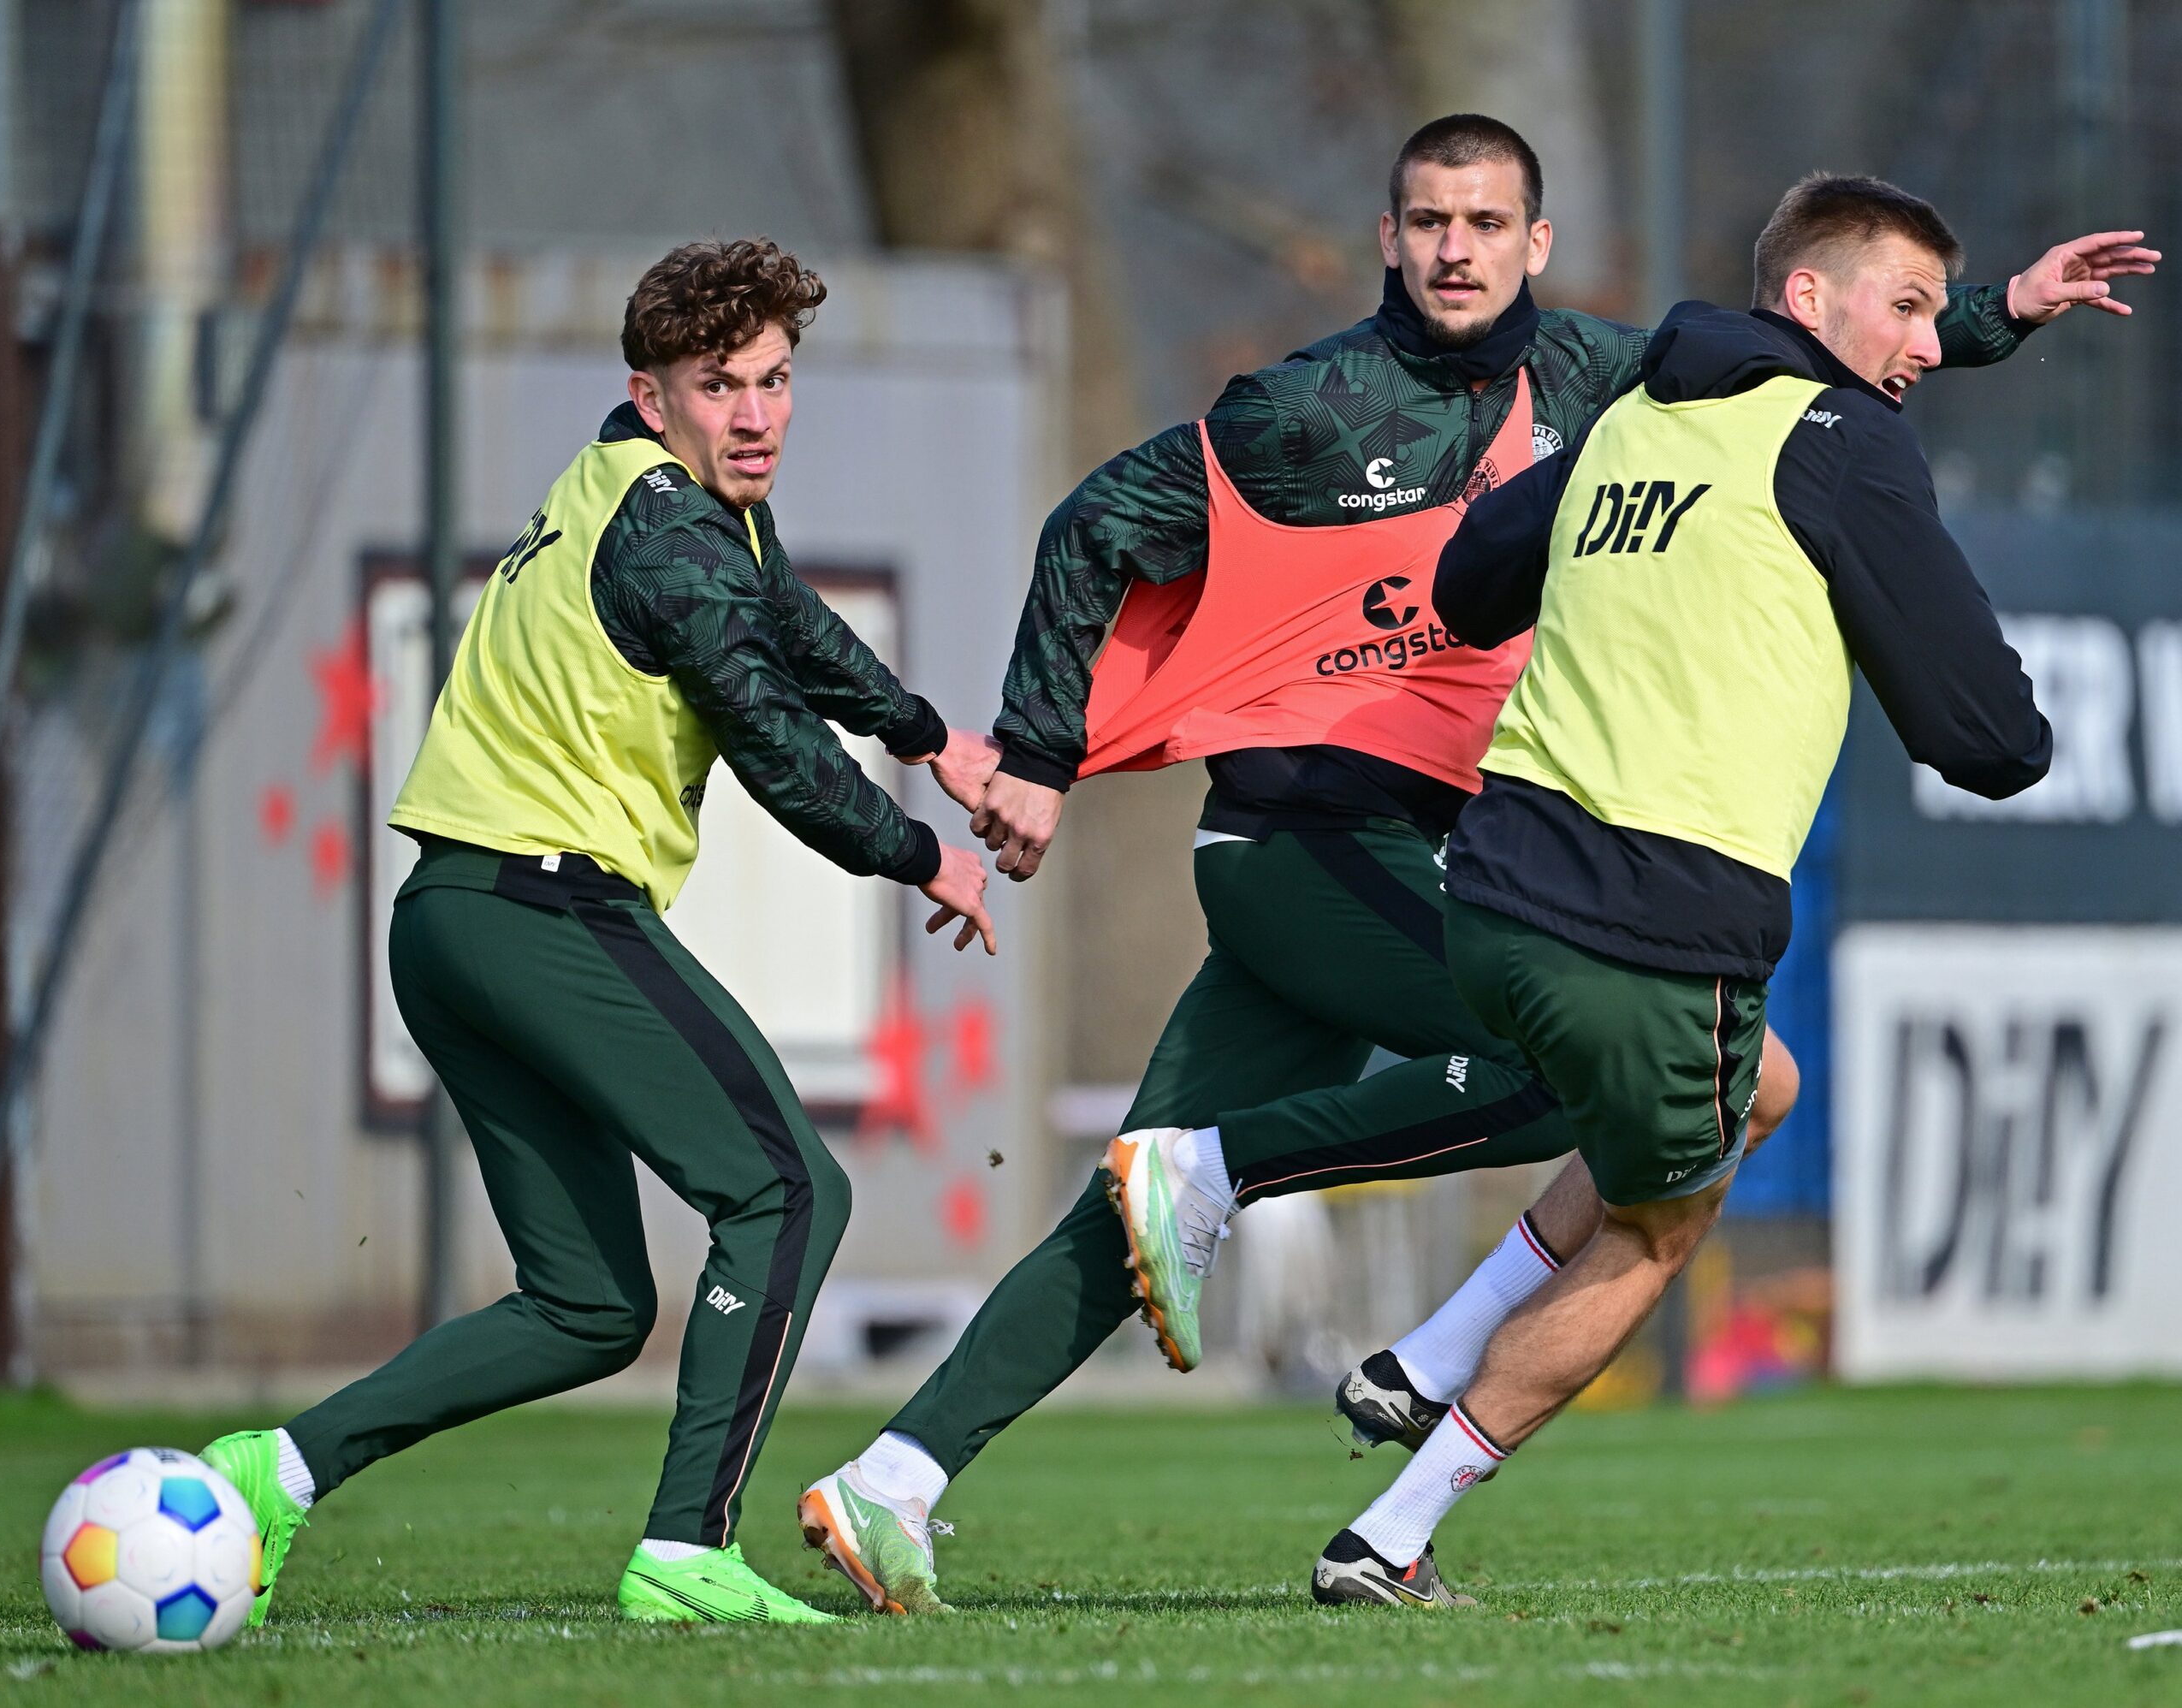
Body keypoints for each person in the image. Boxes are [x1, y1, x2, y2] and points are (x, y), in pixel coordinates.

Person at [798, 116, 2121, 1615]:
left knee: (1137, 1217)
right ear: (1388, 235)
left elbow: (1799, 346)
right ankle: (1340, 1289)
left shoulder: (1599, 385)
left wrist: (1985, 321)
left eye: (1489, 223)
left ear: (1535, 244)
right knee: (1620, 1064)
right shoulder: (1308, 407)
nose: (1457, 248)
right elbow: (1098, 520)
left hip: (1405, 853)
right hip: (1305, 833)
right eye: (1430, 220)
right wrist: (1036, 750)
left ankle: (891, 1479)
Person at [199, 238, 1000, 1628]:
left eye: (775, 380)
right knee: (790, 1191)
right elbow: (767, 734)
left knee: (586, 1307)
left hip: (451, 923)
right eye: (718, 385)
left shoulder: (655, 495)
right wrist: (922, 851)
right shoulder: (673, 532)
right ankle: (685, 1550)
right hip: (541, 905)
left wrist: (931, 739)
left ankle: (273, 1470)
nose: (754, 414)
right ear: (651, 393)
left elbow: (789, 624)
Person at [1309, 172, 2065, 1604]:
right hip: (1652, 926)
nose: (1921, 346)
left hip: (1492, 893)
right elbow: (1987, 739)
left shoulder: (1636, 420)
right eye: (1902, 310)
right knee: (1665, 1224)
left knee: (1756, 1089)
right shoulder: (1843, 441)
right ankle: (1392, 1532)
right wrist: (2018, 727)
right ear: (1806, 304)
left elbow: (1470, 583)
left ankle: (1427, 1352)